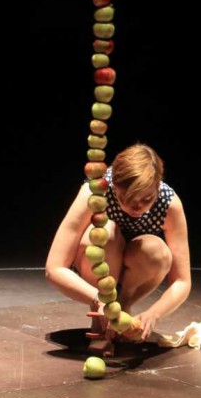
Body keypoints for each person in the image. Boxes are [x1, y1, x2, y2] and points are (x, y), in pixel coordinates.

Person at [45, 143, 191, 339]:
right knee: (105, 231)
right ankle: (102, 319)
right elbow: (54, 268)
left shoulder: (169, 202)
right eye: (127, 198)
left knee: (156, 250)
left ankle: (123, 305)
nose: (137, 207)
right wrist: (98, 299)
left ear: (158, 187)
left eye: (146, 199)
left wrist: (154, 314)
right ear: (114, 184)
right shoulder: (96, 193)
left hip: (134, 272)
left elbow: (182, 281)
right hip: (97, 268)